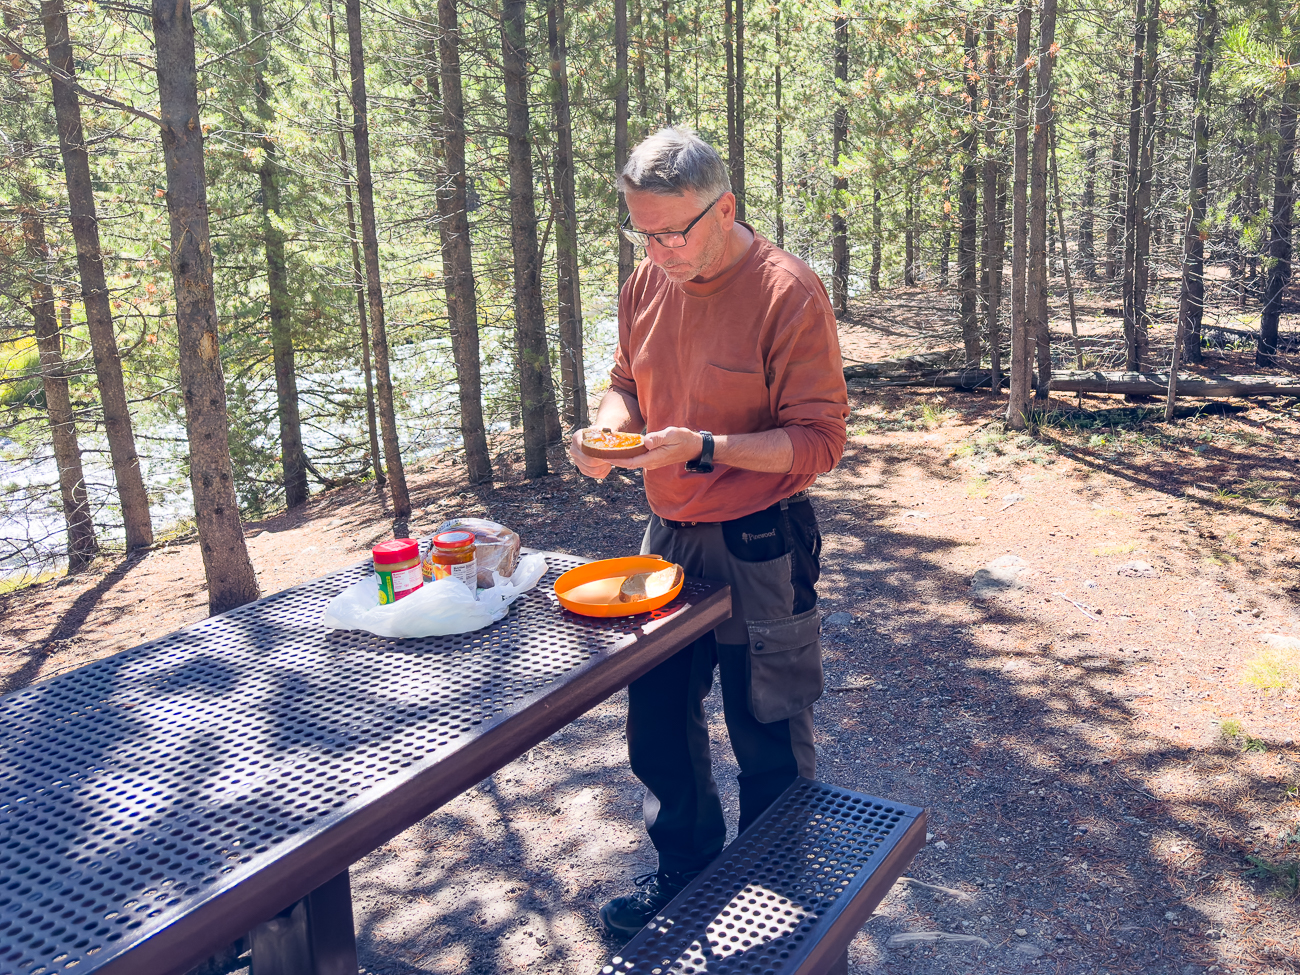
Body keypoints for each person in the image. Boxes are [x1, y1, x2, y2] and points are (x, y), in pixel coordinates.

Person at [568, 127, 849, 940]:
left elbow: (818, 440)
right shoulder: (645, 284)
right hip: (668, 536)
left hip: (762, 542)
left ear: (724, 208)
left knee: (765, 728)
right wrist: (605, 431)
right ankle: (686, 874)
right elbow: (626, 384)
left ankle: (779, 902)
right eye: (640, 231)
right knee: (657, 715)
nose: (656, 250)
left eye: (671, 232)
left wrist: (707, 448)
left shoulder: (787, 292)